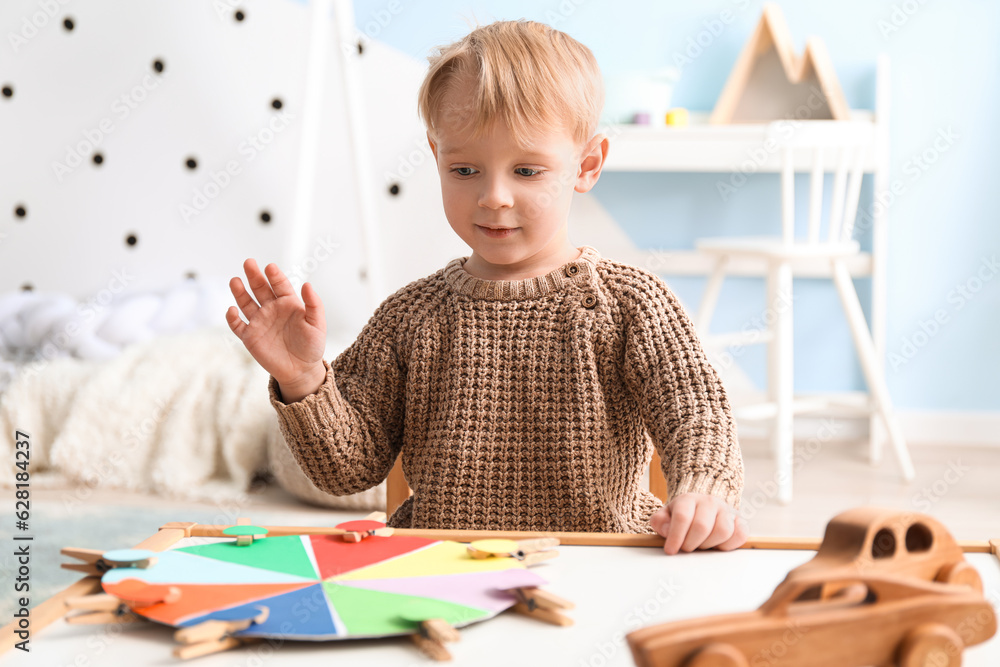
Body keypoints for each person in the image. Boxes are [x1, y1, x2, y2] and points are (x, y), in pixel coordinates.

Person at [227, 19, 747, 554]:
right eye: (466, 169)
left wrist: (704, 491)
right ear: (436, 158)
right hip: (440, 565)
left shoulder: (631, 303)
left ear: (586, 165)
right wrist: (304, 378)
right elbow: (347, 470)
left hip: (595, 561)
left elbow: (697, 415)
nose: (493, 197)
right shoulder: (410, 316)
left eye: (526, 171)